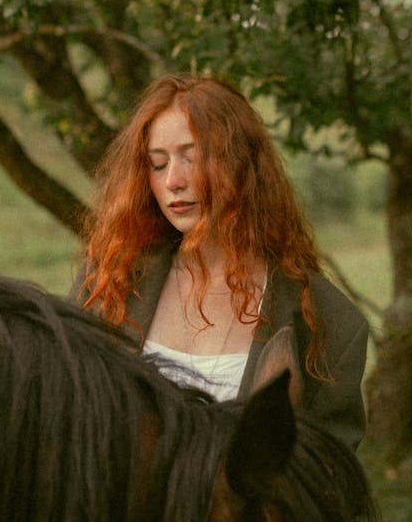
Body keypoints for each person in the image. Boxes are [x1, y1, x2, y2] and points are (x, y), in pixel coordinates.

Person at [71, 74, 368, 449]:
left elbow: (330, 484)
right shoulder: (107, 282)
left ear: (240, 163)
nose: (173, 181)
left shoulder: (330, 321)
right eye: (158, 164)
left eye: (191, 158)